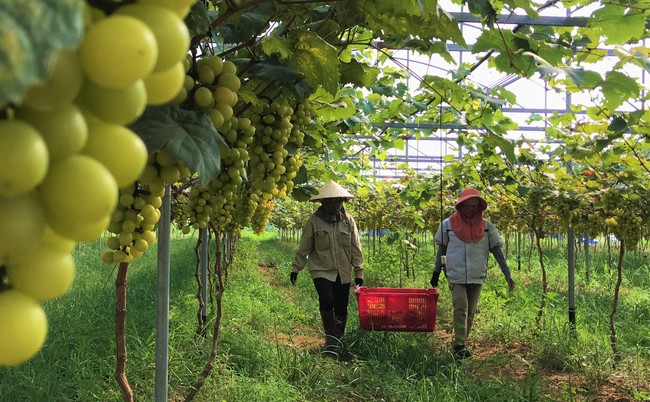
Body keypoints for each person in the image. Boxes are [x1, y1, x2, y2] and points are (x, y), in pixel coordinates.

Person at [430, 188, 515, 358]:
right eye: (466, 205)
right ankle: (460, 346)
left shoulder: (486, 227)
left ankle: (460, 343)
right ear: (460, 206)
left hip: (477, 274)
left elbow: (497, 250)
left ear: (479, 208)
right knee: (461, 307)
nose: (470, 209)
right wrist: (436, 271)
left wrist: (507, 274)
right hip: (455, 273)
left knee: (471, 312)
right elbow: (442, 249)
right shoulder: (448, 225)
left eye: (474, 206)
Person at [290, 180, 364, 354]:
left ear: (342, 201)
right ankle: (329, 338)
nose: (334, 205)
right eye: (329, 201)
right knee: (327, 299)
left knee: (341, 305)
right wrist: (296, 268)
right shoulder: (314, 222)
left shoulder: (348, 221)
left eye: (337, 201)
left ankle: (338, 339)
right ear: (322, 203)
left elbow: (355, 247)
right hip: (321, 269)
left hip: (343, 270)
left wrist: (359, 271)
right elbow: (305, 246)